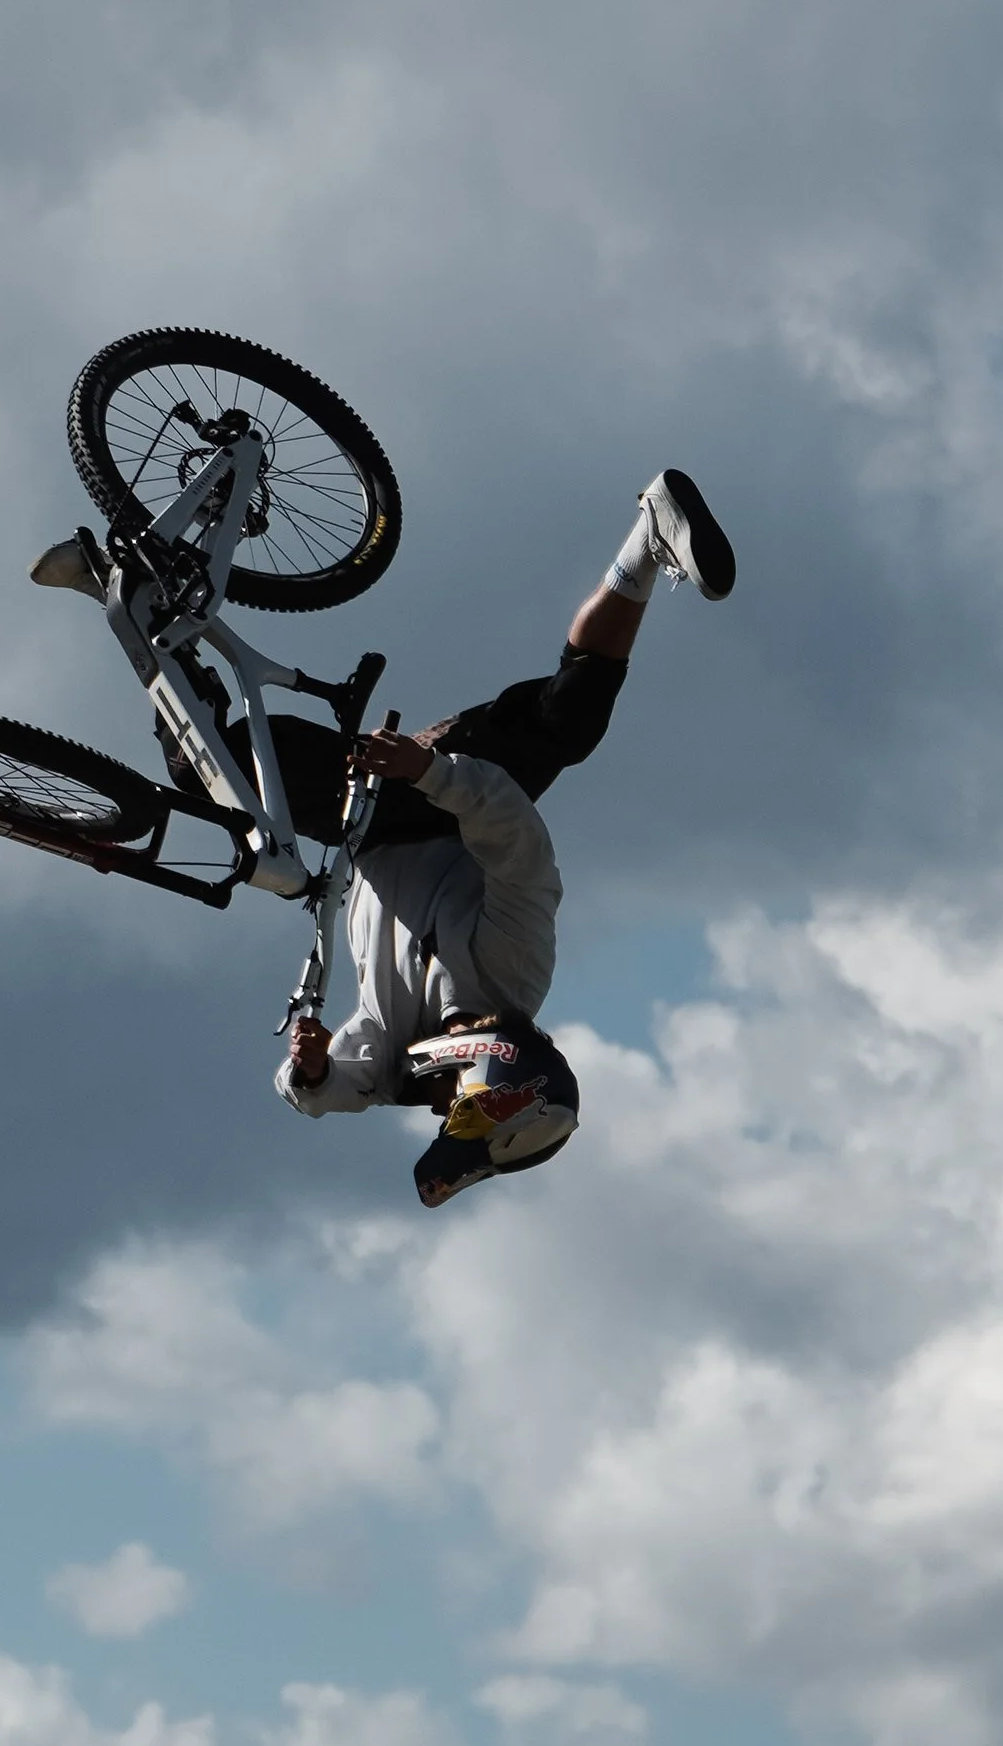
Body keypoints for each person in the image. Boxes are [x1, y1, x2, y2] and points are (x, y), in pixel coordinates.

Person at [275, 468, 735, 1205]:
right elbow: (510, 828)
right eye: (466, 1097)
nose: (440, 1092)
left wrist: (313, 1072)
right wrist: (427, 769)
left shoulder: (402, 1058)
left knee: (215, 770)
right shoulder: (515, 967)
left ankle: (136, 608)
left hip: (362, 824)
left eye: (452, 1106)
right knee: (568, 724)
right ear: (498, 1069)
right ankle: (648, 541)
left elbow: (339, 1085)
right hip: (439, 795)